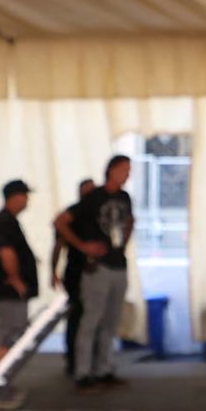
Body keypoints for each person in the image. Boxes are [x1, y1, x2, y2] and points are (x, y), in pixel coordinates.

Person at [61, 156, 136, 388]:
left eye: (129, 170)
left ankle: (104, 368)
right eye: (124, 170)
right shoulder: (93, 197)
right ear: (111, 171)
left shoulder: (124, 198)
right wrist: (83, 246)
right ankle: (82, 372)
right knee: (91, 319)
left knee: (111, 321)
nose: (127, 175)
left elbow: (130, 220)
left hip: (118, 263)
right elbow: (61, 221)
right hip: (97, 267)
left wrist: (124, 241)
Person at [0, 177, 38, 411]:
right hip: (8, 292)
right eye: (24, 196)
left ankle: (3, 386)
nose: (26, 201)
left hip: (8, 291)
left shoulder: (7, 221)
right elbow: (7, 253)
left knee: (11, 337)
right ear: (14, 197)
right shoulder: (4, 222)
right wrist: (16, 279)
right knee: (8, 339)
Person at [53, 177, 95, 378]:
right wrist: (53, 271)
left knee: (94, 316)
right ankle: (73, 358)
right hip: (76, 271)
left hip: (96, 272)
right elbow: (58, 244)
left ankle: (89, 359)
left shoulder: (98, 213)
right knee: (76, 316)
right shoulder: (73, 214)